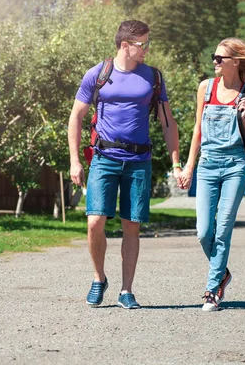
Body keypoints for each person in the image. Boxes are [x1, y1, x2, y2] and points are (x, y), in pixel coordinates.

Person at [67, 20, 183, 309]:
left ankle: (126, 290)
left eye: (147, 43)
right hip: (104, 158)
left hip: (139, 161)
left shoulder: (153, 78)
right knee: (95, 221)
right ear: (125, 45)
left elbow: (168, 122)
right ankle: (98, 278)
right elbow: (76, 117)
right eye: (142, 44)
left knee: (131, 225)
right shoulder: (99, 74)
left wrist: (176, 162)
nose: (147, 49)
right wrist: (75, 161)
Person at [179, 38, 245, 311]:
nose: (215, 61)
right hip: (208, 166)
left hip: (235, 166)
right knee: (203, 231)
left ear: (235, 61)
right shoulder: (205, 88)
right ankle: (223, 273)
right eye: (214, 57)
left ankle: (212, 290)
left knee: (223, 230)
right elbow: (197, 129)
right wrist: (189, 166)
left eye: (220, 58)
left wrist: (244, 116)